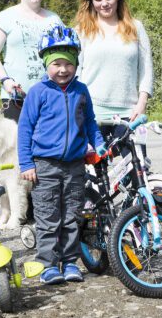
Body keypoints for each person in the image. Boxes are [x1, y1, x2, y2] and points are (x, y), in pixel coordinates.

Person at [17, 26, 105, 285]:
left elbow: (89, 122)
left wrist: (98, 144)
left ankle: (69, 262)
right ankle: (47, 264)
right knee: (47, 217)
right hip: (44, 165)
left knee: (72, 217)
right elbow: (25, 129)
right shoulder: (38, 92)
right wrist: (26, 163)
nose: (63, 69)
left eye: (69, 63)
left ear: (76, 64)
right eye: (56, 63)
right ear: (46, 64)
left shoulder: (81, 90)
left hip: (75, 166)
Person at [73, 0, 153, 123]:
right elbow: (76, 71)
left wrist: (142, 103)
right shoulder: (81, 31)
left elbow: (146, 69)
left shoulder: (136, 27)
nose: (104, 3)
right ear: (91, 1)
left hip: (131, 113)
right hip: (91, 111)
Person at [0, 0, 62, 121]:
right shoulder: (6, 17)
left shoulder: (54, 19)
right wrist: (5, 80)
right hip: (15, 96)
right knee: (17, 143)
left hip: (50, 95)